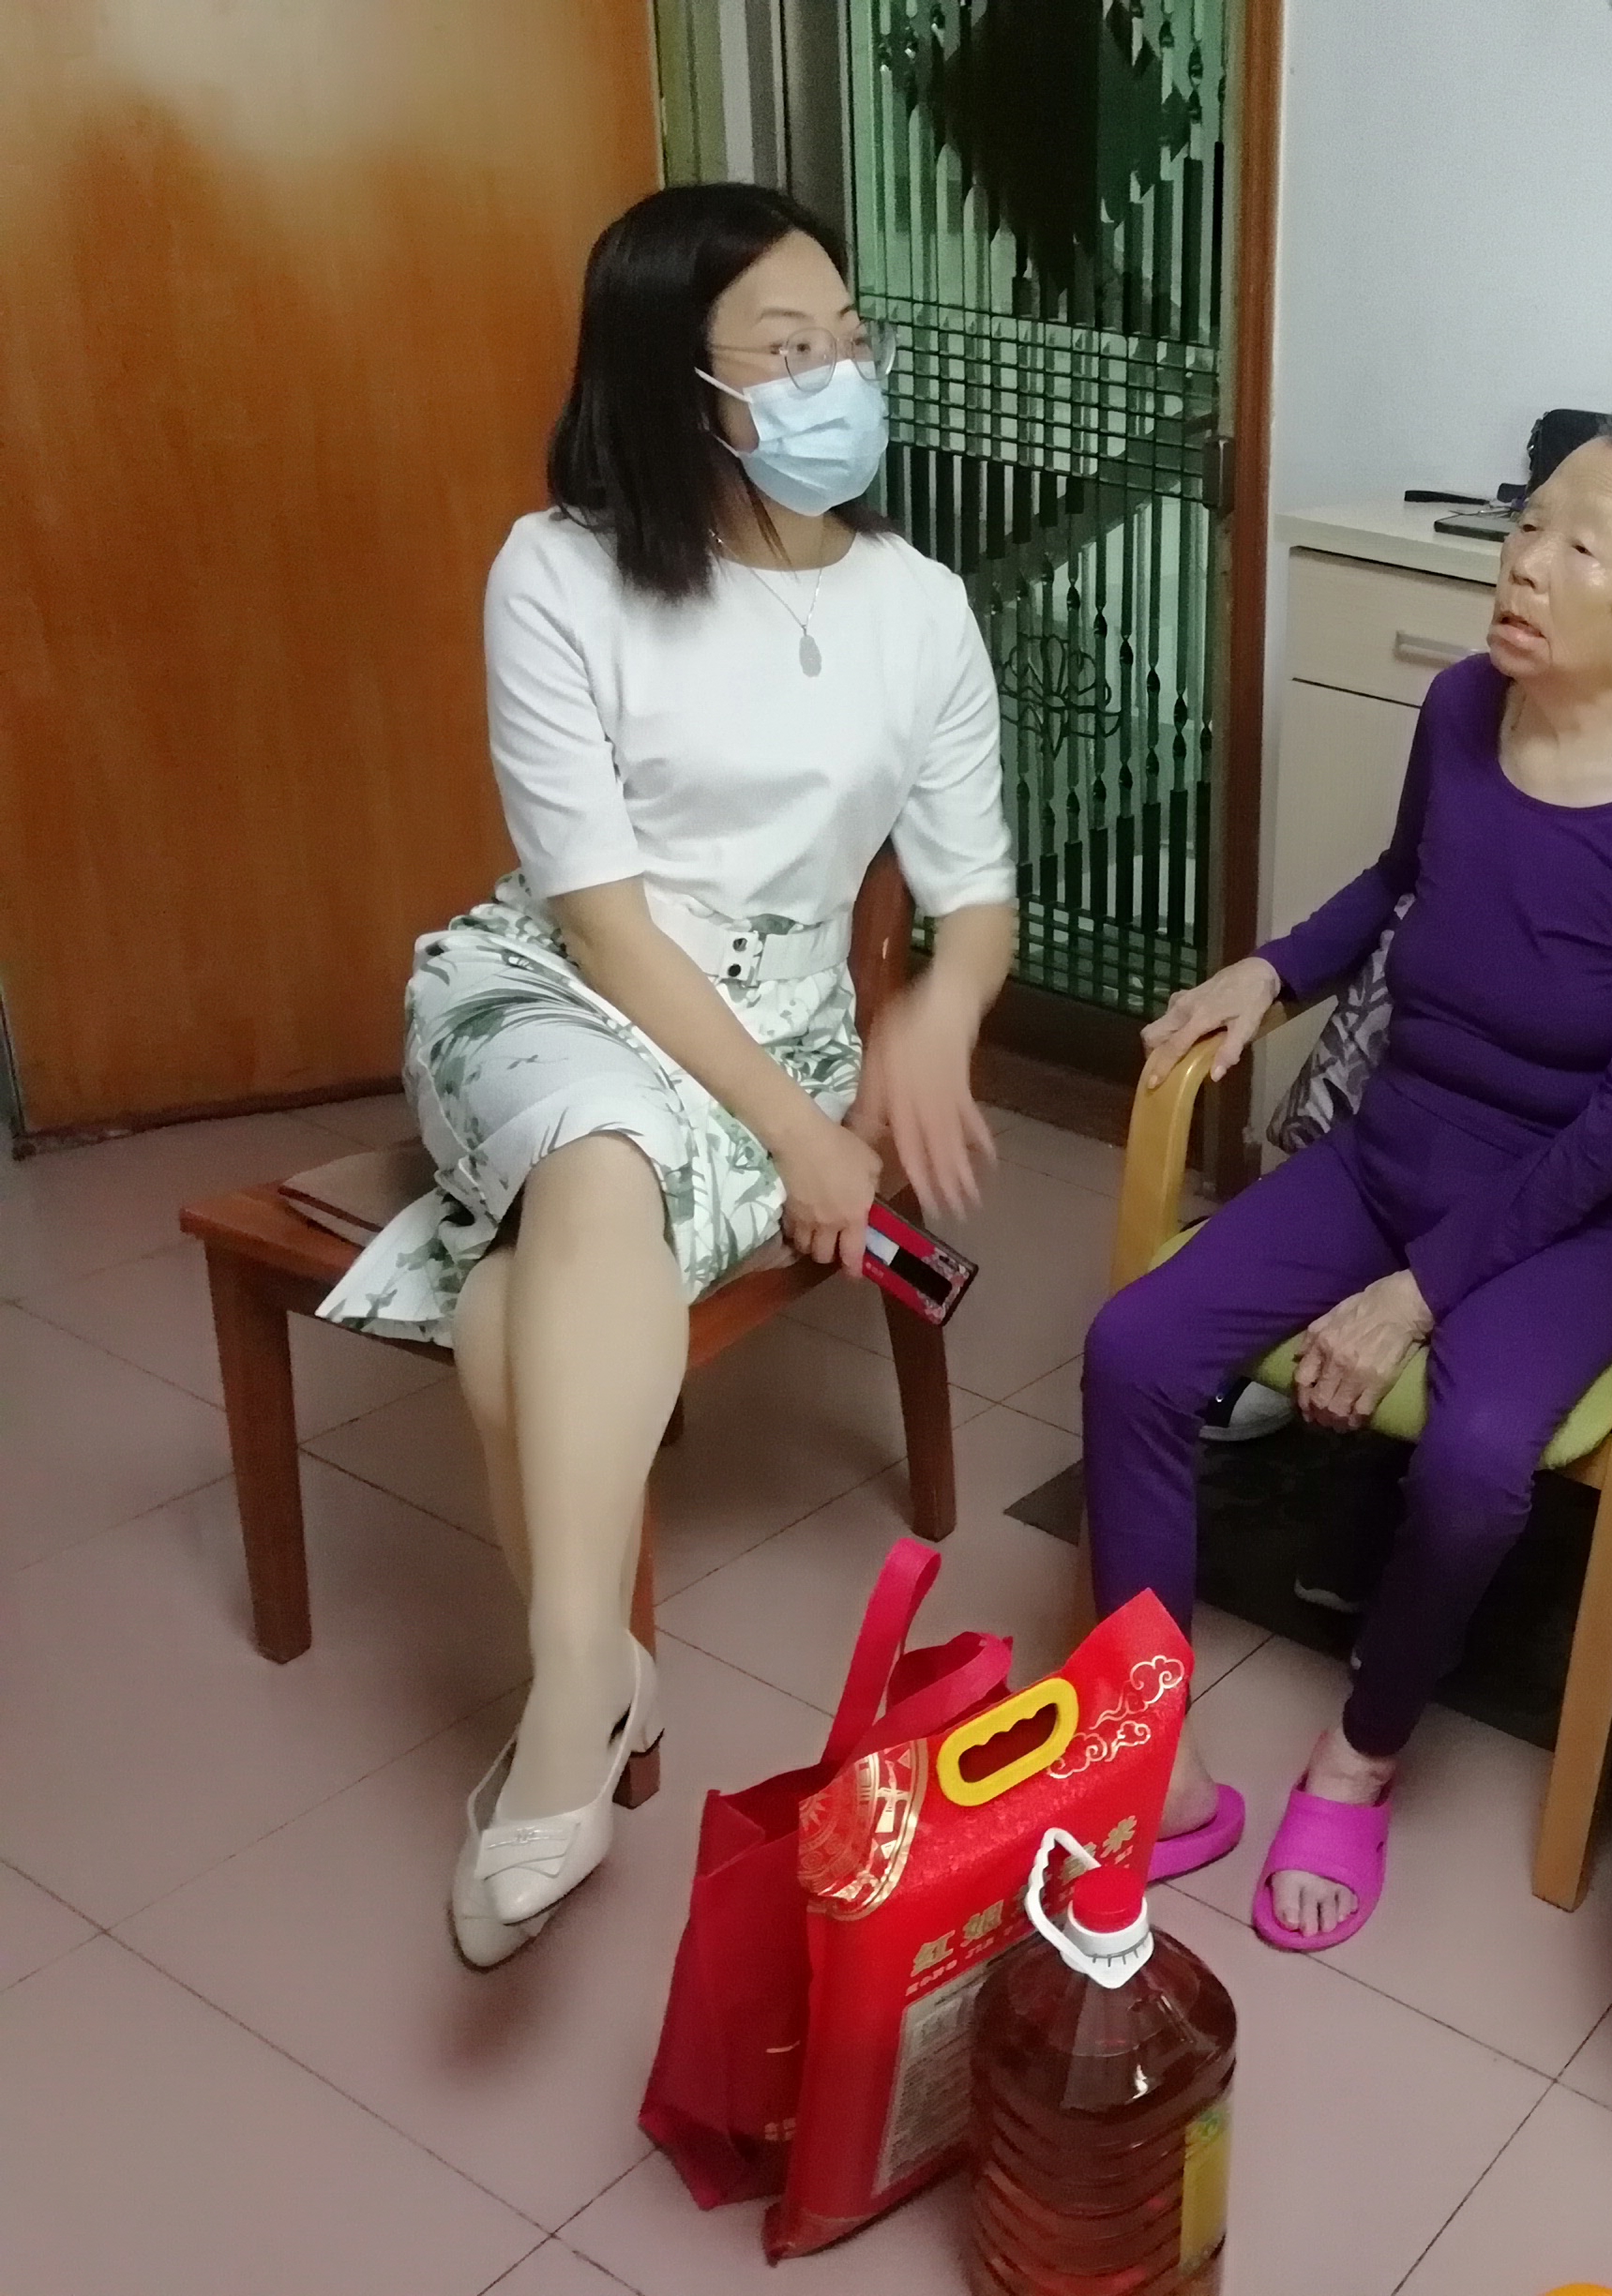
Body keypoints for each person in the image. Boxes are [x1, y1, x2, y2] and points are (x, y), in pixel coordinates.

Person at [319, 185, 1017, 1967]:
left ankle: (591, 1681)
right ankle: (580, 1690)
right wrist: (803, 1139)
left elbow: (977, 899)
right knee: (601, 1144)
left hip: (783, 1018)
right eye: (786, 353)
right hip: (556, 990)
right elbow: (602, 916)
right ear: (672, 381)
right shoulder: (557, 573)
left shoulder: (921, 608)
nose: (837, 378)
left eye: (848, 339)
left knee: (522, 1292)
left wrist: (934, 1014)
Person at [1082, 403, 1612, 1950]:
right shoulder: (1464, 705)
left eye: (1577, 547)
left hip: (1580, 1208)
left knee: (1472, 1462)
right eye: (1528, 524)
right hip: (1401, 1145)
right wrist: (1268, 970)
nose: (1524, 563)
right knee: (1135, 1348)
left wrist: (1416, 1292)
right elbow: (1400, 884)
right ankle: (1151, 1739)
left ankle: (1362, 1754)